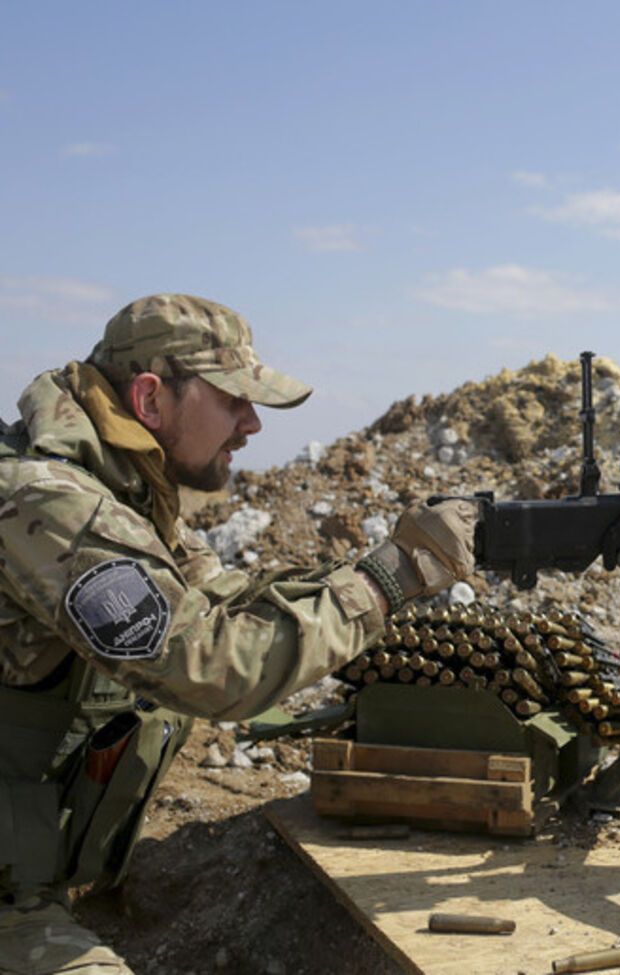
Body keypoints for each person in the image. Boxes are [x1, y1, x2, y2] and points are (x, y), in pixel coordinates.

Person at [0, 294, 476, 974]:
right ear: (149, 398)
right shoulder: (50, 504)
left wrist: (371, 568)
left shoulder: (124, 491)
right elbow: (212, 665)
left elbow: (220, 598)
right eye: (232, 400)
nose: (252, 423)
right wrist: (390, 578)